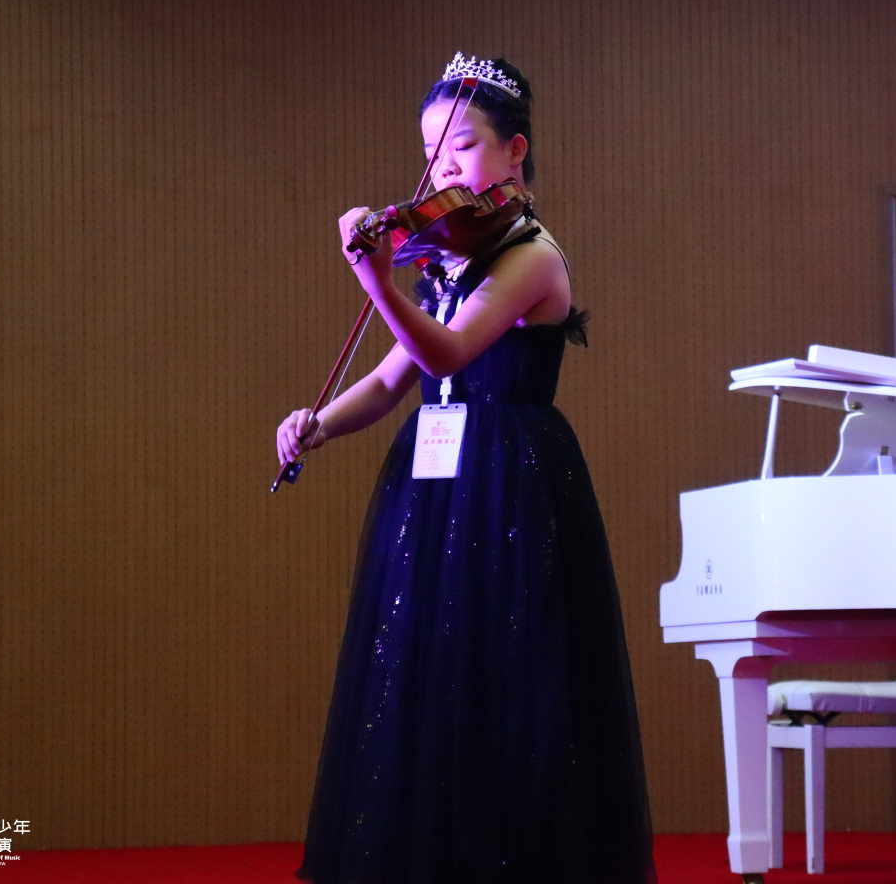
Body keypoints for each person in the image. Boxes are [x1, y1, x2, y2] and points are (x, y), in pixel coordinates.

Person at [277, 54, 656, 884]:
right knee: (427, 673)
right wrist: (318, 422)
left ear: (515, 150)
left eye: (462, 147)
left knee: (505, 674)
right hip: (438, 484)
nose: (442, 168)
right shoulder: (450, 257)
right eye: (431, 151)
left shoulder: (533, 257)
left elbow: (445, 351)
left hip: (509, 483)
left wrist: (377, 279)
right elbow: (391, 381)